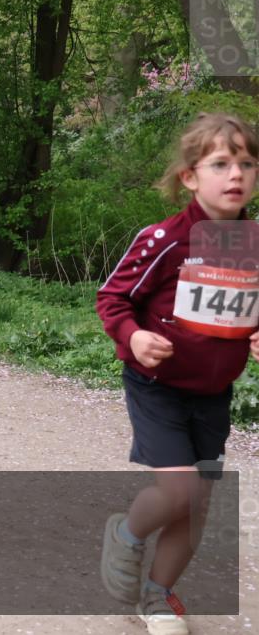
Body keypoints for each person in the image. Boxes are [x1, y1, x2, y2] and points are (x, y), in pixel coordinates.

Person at [97, 113, 259, 635]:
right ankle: (126, 533)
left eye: (247, 164)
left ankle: (158, 597)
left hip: (213, 394)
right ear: (190, 176)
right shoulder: (164, 239)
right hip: (157, 387)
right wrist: (133, 337)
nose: (236, 174)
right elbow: (113, 298)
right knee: (180, 490)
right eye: (220, 163)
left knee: (197, 504)